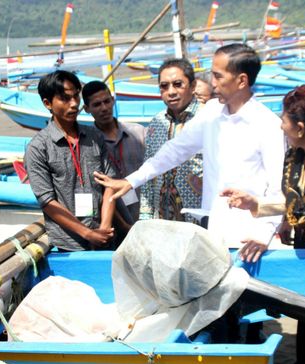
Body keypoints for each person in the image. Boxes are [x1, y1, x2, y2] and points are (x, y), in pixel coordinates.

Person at [221, 85, 305, 364]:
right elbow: (297, 201)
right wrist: (255, 204)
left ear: (300, 126)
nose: (280, 125)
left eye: (284, 119)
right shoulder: (300, 155)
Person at [95, 43, 285, 241]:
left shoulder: (268, 124)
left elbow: (277, 190)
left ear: (241, 81)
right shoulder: (211, 113)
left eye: (218, 76)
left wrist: (263, 235)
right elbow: (175, 150)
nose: (212, 83)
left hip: (251, 236)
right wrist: (131, 180)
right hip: (215, 230)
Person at [25, 70, 118, 251]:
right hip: (68, 244)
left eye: (76, 96)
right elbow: (47, 201)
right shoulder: (38, 147)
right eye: (65, 99)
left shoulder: (94, 136)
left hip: (105, 237)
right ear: (47, 103)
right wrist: (87, 233)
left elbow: (110, 184)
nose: (74, 104)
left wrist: (104, 228)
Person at [138, 58, 204, 223]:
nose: (171, 91)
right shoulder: (157, 122)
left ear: (193, 86)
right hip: (162, 220)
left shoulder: (207, 118)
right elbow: (149, 171)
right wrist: (145, 218)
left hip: (200, 217)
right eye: (164, 86)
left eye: (178, 84)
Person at [82, 80, 145, 220]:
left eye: (107, 101)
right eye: (97, 104)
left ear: (113, 100)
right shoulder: (87, 144)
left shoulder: (139, 133)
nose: (104, 108)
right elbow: (87, 190)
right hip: (113, 220)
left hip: (146, 213)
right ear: (87, 109)